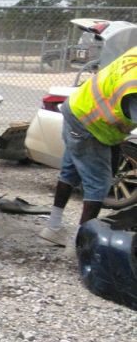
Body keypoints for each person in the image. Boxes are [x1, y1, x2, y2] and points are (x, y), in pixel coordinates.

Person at [39, 46, 137, 246]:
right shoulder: (135, 88)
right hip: (90, 124)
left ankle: (53, 227)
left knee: (70, 171)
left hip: (79, 109)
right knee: (98, 184)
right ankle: (80, 245)